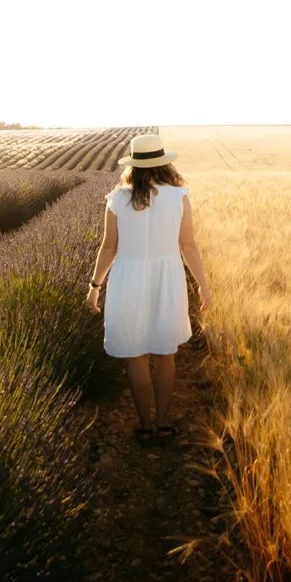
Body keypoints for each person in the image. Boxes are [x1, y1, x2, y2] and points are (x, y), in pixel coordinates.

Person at [85, 132, 211, 447]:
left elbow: (108, 248)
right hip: (166, 282)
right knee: (165, 354)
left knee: (135, 357)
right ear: (164, 164)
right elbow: (189, 246)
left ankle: (144, 426)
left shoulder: (116, 200)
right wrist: (203, 286)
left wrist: (94, 286)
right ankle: (163, 423)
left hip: (127, 282)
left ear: (134, 166)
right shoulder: (178, 196)